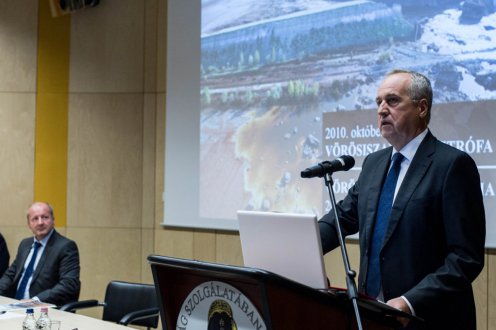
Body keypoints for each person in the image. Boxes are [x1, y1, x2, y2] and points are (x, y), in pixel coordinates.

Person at [318, 69, 485, 329]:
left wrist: (410, 301)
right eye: (378, 102)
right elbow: (340, 219)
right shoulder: (374, 164)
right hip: (371, 316)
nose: (382, 109)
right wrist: (300, 246)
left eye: (392, 101)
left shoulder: (452, 165)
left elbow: (465, 258)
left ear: (421, 107)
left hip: (426, 318)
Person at [0, 202, 80, 306]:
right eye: (35, 219)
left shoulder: (66, 246)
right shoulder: (25, 244)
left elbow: (68, 284)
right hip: (15, 305)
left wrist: (36, 300)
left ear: (53, 220)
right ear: (29, 224)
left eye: (45, 217)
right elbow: (10, 275)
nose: (40, 222)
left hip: (43, 309)